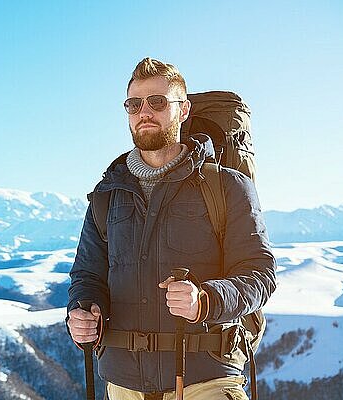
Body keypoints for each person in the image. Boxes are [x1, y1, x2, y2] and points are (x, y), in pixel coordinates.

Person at [66, 57, 276, 400]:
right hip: (123, 384)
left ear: (183, 110)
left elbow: (260, 274)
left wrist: (205, 300)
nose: (144, 112)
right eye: (134, 104)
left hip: (204, 380)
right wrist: (83, 311)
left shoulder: (226, 187)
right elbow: (87, 275)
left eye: (157, 102)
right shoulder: (107, 196)